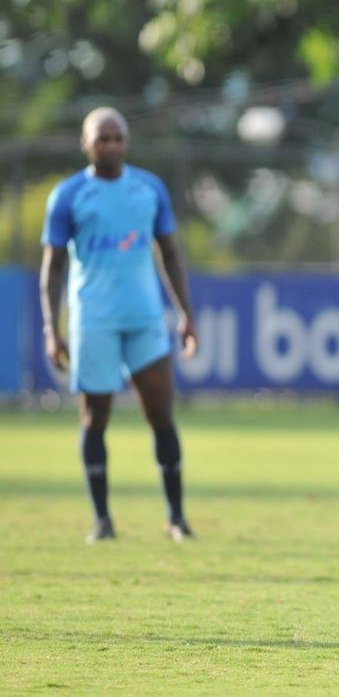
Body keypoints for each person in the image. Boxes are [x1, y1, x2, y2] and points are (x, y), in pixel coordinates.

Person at [40, 107, 199, 544]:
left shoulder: (149, 189)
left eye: (117, 138)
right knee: (95, 419)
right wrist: (51, 328)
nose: (110, 145)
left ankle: (176, 518)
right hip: (94, 319)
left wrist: (186, 313)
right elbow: (52, 268)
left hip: (144, 317)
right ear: (85, 143)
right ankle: (102, 521)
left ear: (126, 142)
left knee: (162, 414)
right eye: (101, 138)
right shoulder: (69, 195)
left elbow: (170, 253)